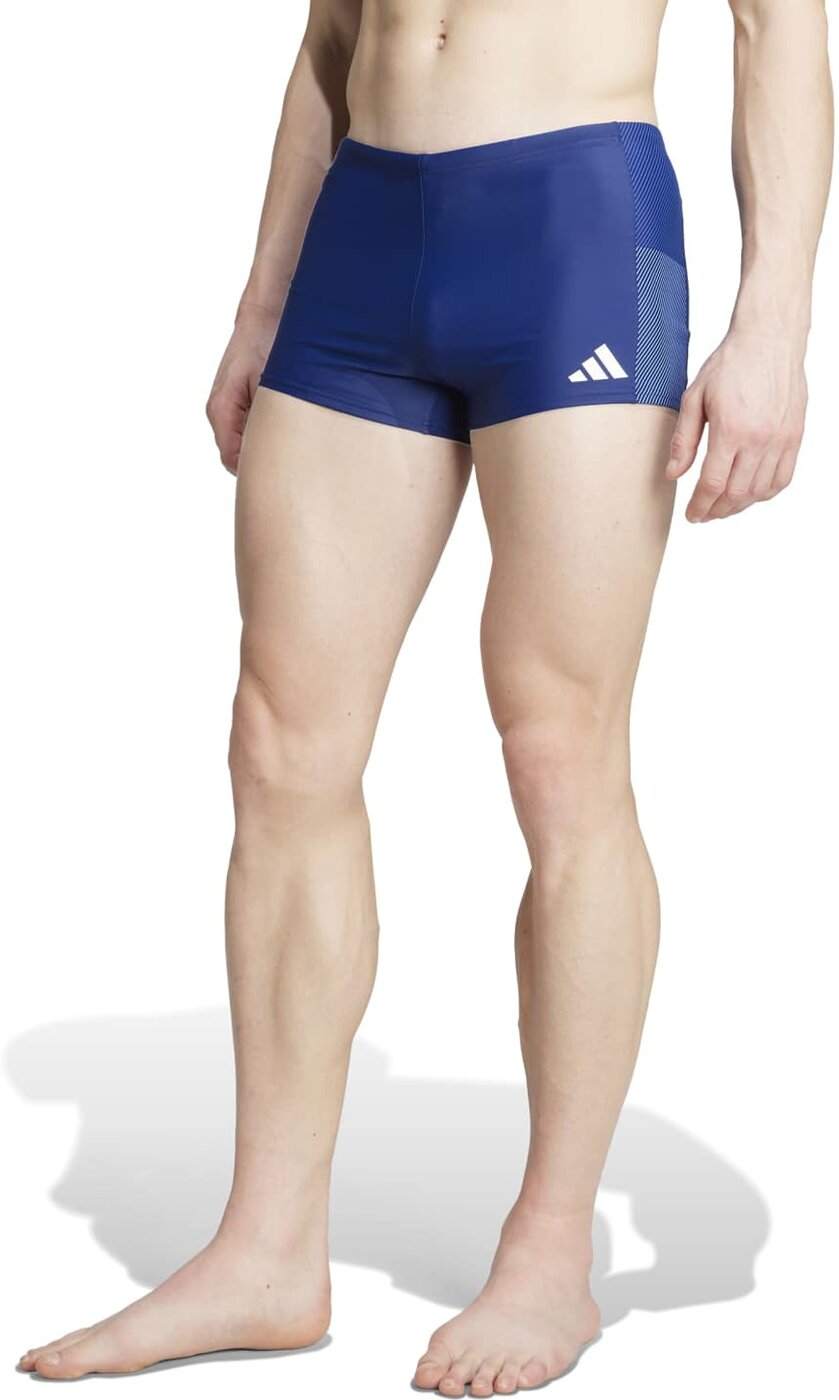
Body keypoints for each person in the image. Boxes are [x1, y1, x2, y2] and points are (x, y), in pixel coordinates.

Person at [19, 0, 833, 1390]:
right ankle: (268, 1250)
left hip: (577, 231)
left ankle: (552, 1252)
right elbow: (331, 37)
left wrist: (775, 321)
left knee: (559, 749)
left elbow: (780, 26)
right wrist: (262, 305)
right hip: (364, 231)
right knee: (281, 743)